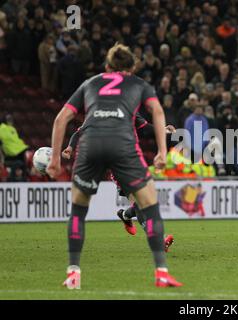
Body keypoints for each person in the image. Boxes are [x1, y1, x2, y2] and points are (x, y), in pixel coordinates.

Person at [46, 43, 182, 289]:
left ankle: (73, 273)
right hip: (122, 149)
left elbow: (62, 119)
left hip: (91, 150)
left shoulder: (91, 85)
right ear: (131, 68)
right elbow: (158, 114)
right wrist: (162, 151)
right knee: (149, 204)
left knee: (78, 210)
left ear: (107, 67)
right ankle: (161, 272)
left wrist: (57, 158)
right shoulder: (137, 86)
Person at [62, 114, 176, 252]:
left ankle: (125, 215)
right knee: (140, 203)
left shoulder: (129, 111)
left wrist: (163, 130)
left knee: (147, 200)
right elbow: (79, 133)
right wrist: (70, 147)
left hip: (133, 163)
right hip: (116, 167)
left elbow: (147, 128)